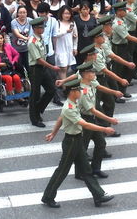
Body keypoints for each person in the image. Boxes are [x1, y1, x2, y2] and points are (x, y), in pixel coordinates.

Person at [41, 79, 115, 209]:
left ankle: (99, 195)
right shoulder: (69, 108)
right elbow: (85, 124)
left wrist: (53, 133)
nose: (80, 92)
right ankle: (48, 196)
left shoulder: (72, 103)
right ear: (72, 92)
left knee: (86, 170)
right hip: (71, 142)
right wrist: (104, 129)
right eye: (78, 90)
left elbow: (60, 118)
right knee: (62, 171)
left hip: (77, 140)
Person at [27, 17, 60, 128]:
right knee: (35, 94)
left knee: (51, 90)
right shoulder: (32, 41)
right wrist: (52, 67)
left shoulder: (40, 37)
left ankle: (39, 109)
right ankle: (34, 118)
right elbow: (38, 59)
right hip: (35, 69)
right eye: (41, 27)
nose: (43, 29)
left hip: (43, 68)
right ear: (35, 28)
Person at [0, 32, 25, 104]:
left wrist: (13, 62)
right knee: (8, 78)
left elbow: (16, 54)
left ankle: (19, 96)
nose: (0, 40)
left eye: (1, 38)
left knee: (17, 77)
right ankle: (10, 97)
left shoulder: (7, 46)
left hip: (10, 69)